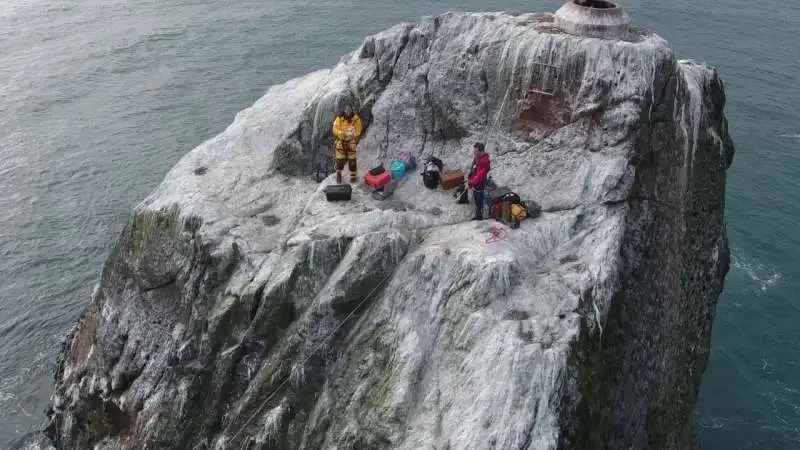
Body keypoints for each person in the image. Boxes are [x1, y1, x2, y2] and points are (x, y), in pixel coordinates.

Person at [332, 104, 363, 183]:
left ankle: (353, 176)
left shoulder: (356, 119)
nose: (348, 111)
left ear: (352, 110)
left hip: (351, 141)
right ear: (344, 110)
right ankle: (338, 174)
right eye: (346, 110)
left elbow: (358, 131)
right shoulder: (339, 118)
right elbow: (334, 128)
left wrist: (352, 133)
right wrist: (340, 132)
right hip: (341, 141)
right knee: (339, 160)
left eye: (349, 110)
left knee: (352, 160)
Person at [467, 142, 491, 220]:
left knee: (478, 201)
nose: (474, 153)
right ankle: (478, 213)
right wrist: (470, 176)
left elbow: (480, 175)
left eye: (476, 151)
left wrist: (472, 182)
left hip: (479, 184)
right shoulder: (477, 157)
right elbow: (473, 168)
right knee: (475, 198)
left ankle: (479, 216)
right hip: (474, 182)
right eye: (474, 151)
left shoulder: (484, 161)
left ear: (481, 151)